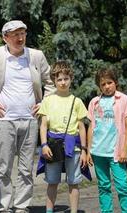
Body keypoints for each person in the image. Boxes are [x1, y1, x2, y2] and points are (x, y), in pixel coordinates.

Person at [0, 20, 55, 212]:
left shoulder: (36, 55)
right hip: (4, 121)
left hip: (30, 121)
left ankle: (22, 206)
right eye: (15, 34)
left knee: (26, 169)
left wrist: (44, 103)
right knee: (4, 168)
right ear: (5, 38)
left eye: (22, 33)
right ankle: (4, 206)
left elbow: (50, 82)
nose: (19, 38)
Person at [36, 61, 87, 213]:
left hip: (74, 146)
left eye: (66, 79)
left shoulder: (76, 101)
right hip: (52, 145)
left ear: (71, 79)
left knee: (74, 181)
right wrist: (44, 145)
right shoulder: (48, 101)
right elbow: (43, 125)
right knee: (52, 181)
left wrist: (85, 150)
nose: (63, 82)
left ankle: (74, 211)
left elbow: (81, 126)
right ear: (54, 81)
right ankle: (49, 210)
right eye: (59, 79)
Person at [87, 68, 127, 213]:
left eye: (110, 82)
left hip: (117, 152)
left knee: (122, 186)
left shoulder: (124, 99)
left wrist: (125, 150)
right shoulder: (94, 102)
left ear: (116, 83)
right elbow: (91, 127)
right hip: (98, 151)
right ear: (99, 86)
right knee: (103, 186)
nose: (107, 86)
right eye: (103, 84)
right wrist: (89, 150)